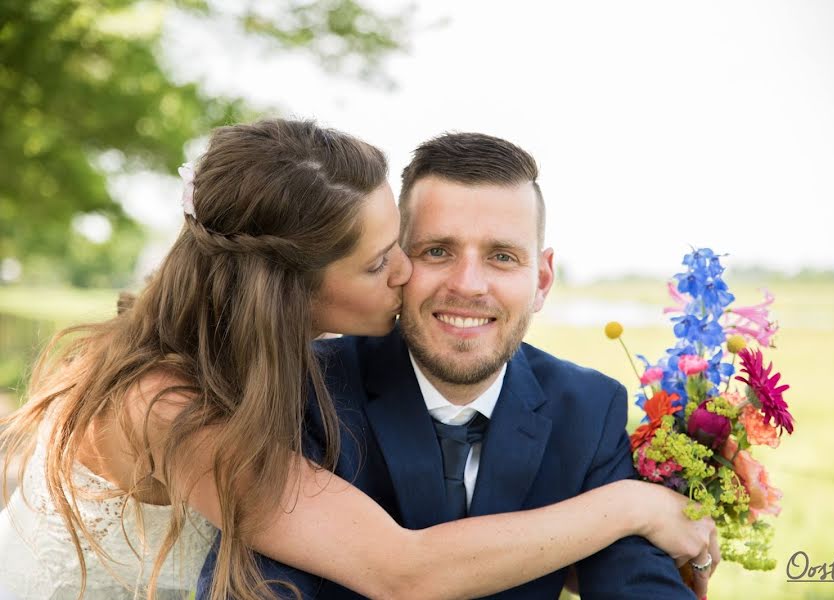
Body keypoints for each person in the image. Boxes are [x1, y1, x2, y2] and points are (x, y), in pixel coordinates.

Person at [0, 118, 713, 600]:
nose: (411, 276)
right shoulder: (175, 408)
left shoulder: (251, 366)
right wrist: (630, 505)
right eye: (383, 262)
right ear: (292, 293)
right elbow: (399, 571)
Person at [220, 132, 720, 599]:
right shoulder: (306, 389)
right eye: (438, 251)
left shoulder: (588, 409)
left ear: (542, 280)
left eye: (502, 257)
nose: (469, 285)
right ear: (396, 263)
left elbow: (635, 582)